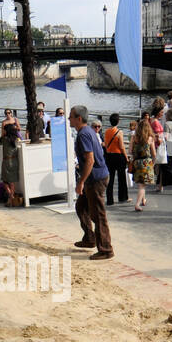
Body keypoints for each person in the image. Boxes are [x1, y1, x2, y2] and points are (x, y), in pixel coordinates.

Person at [70, 105, 113, 261]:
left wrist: (81, 182)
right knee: (81, 207)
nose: (69, 119)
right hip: (95, 177)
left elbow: (90, 159)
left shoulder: (83, 135)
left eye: (71, 116)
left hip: (95, 179)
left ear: (78, 118)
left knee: (98, 215)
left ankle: (106, 249)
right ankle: (90, 238)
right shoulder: (88, 131)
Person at [129, 112, 155, 211]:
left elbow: (130, 151)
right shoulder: (150, 139)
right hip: (146, 162)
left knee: (141, 183)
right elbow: (154, 154)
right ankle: (137, 204)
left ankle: (143, 199)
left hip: (137, 162)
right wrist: (153, 162)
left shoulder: (134, 138)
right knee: (142, 186)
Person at [102, 113, 129, 205]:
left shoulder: (106, 132)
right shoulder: (119, 132)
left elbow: (105, 144)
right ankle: (122, 197)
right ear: (118, 121)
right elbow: (121, 146)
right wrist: (126, 157)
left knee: (111, 178)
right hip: (118, 156)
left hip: (109, 156)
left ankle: (110, 199)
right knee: (121, 178)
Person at [0, 121, 23, 206]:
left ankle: (10, 196)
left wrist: (3, 134)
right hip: (15, 161)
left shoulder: (5, 139)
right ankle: (11, 197)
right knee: (12, 181)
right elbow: (21, 139)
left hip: (7, 161)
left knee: (5, 180)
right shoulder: (16, 139)